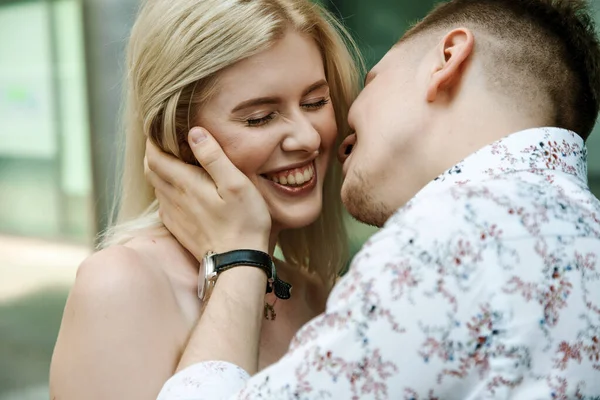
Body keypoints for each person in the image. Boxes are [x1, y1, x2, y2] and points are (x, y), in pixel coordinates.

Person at [145, 0, 600, 398]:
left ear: (448, 58)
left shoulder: (448, 236)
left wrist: (240, 254)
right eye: (262, 116)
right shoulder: (582, 231)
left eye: (372, 79)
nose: (335, 136)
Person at [48, 0, 362, 398]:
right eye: (260, 117)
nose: (309, 138)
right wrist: (241, 260)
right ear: (178, 140)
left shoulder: (321, 296)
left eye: (316, 102)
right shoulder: (120, 284)